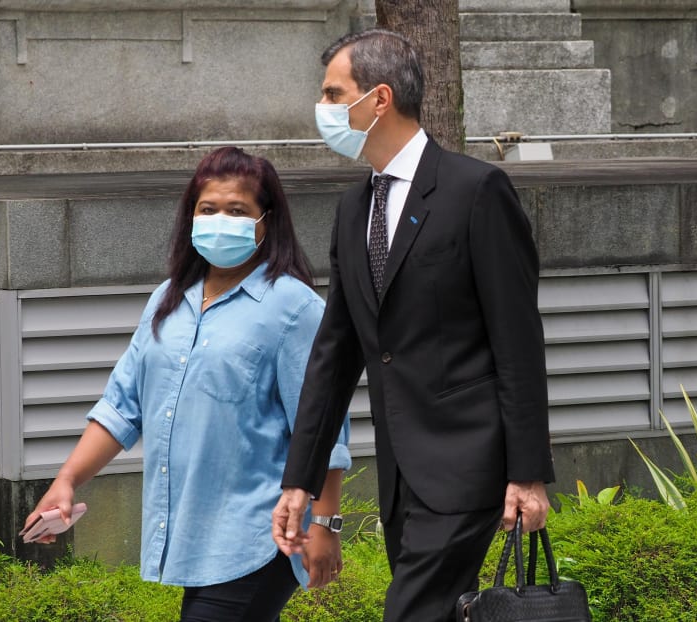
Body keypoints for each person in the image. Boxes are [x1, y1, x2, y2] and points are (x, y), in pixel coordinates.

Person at [272, 29, 555, 621]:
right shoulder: (354, 209)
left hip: (469, 466)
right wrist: (299, 480)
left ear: (378, 99)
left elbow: (518, 343)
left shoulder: (476, 190)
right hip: (403, 476)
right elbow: (334, 353)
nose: (322, 109)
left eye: (332, 93)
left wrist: (528, 474)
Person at [24, 146, 351, 622]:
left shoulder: (293, 308)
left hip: (259, 535)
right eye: (208, 208)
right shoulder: (169, 299)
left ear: (266, 221)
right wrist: (66, 480)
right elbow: (123, 406)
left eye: (237, 210)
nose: (221, 219)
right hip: (197, 534)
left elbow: (324, 424)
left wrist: (325, 524)